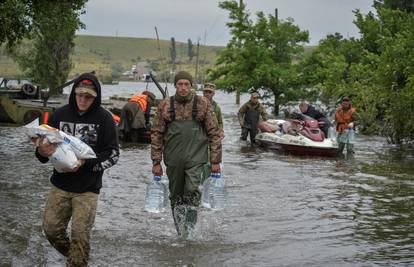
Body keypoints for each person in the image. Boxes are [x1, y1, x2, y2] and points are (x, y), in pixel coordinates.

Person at [33, 73, 120, 266]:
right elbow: (41, 156)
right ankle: (78, 257)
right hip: (60, 185)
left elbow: (113, 156)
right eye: (79, 95)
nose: (83, 100)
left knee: (80, 236)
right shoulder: (59, 115)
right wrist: (41, 150)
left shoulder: (105, 119)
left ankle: (79, 258)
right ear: (74, 93)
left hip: (88, 189)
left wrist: (85, 164)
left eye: (88, 97)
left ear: (95, 97)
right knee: (51, 231)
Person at [151, 71, 222, 238]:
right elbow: (156, 133)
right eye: (180, 84)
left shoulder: (203, 103)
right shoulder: (165, 105)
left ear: (191, 86)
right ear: (175, 85)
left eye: (187, 84)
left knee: (192, 190)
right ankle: (180, 231)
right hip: (173, 159)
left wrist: (215, 161)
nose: (183, 88)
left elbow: (214, 133)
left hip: (196, 158)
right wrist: (156, 162)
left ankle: (189, 231)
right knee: (176, 195)